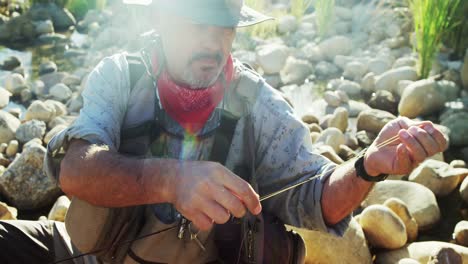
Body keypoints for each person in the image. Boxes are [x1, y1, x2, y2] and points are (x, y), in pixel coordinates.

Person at [0, 0, 447, 263]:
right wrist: (172, 180)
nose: (214, 44)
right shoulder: (119, 77)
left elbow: (314, 198)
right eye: (198, 26)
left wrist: (366, 166)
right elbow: (76, 170)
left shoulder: (258, 102)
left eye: (226, 29)